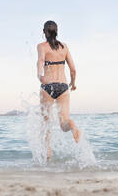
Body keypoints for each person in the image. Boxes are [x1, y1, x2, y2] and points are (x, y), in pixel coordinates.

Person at [37, 20, 81, 160]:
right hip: (63, 86)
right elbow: (73, 69)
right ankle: (72, 125)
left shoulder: (41, 46)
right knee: (64, 123)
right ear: (57, 31)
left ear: (44, 32)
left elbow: (40, 61)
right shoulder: (64, 47)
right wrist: (72, 84)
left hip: (48, 86)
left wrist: (40, 76)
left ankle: (47, 154)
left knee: (46, 123)